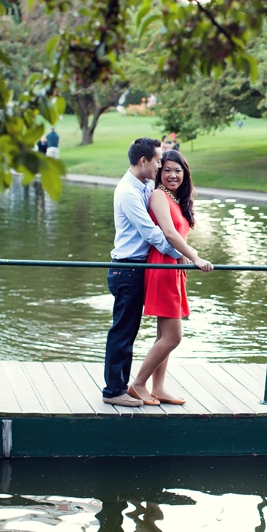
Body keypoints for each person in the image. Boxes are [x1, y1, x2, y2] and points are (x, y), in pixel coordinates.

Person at [103, 139, 206, 407]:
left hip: (146, 266)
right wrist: (187, 255)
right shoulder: (129, 192)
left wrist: (180, 255)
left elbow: (167, 224)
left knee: (145, 333)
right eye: (160, 162)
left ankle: (152, 387)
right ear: (144, 162)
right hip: (129, 267)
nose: (164, 168)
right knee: (124, 332)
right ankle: (118, 389)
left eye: (173, 167)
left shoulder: (147, 185)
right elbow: (156, 233)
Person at [128, 150, 212, 406]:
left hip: (174, 268)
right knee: (174, 337)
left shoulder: (176, 199)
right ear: (159, 173)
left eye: (178, 170)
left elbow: (178, 235)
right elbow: (168, 233)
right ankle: (138, 384)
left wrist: (185, 259)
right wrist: (195, 256)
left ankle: (159, 387)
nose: (173, 175)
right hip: (162, 268)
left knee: (163, 336)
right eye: (167, 170)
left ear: (185, 173)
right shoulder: (158, 196)